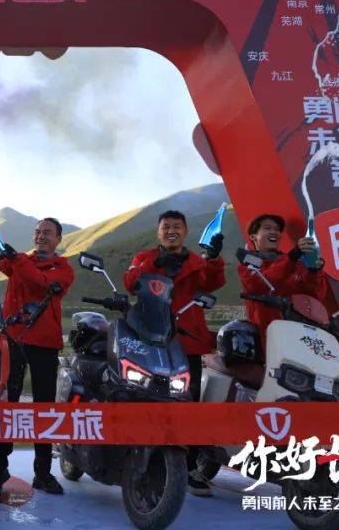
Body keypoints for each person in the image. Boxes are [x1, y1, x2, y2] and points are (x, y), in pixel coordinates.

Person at [0, 213, 75, 498]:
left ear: (58, 239)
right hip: (13, 341)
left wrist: (15, 258)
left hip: (45, 345)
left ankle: (42, 473)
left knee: (44, 408)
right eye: (38, 231)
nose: (41, 236)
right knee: (7, 405)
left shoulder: (63, 269)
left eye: (47, 232)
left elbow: (39, 282)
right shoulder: (20, 261)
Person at [123, 209, 225, 497]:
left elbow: (214, 282)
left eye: (177, 226)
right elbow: (130, 283)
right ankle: (139, 460)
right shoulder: (144, 257)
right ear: (158, 232)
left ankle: (188, 468)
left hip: (187, 342)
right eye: (166, 226)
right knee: (144, 397)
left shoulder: (197, 261)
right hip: (150, 340)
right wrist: (154, 264)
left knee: (187, 403)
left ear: (186, 232)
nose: (171, 230)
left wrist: (214, 258)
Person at [238, 213, 327, 348]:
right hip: (270, 337)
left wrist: (314, 271)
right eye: (267, 228)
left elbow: (315, 295)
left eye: (277, 229)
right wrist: (292, 257)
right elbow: (261, 284)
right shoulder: (247, 266)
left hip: (303, 337)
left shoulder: (295, 262)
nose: (274, 232)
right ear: (253, 236)